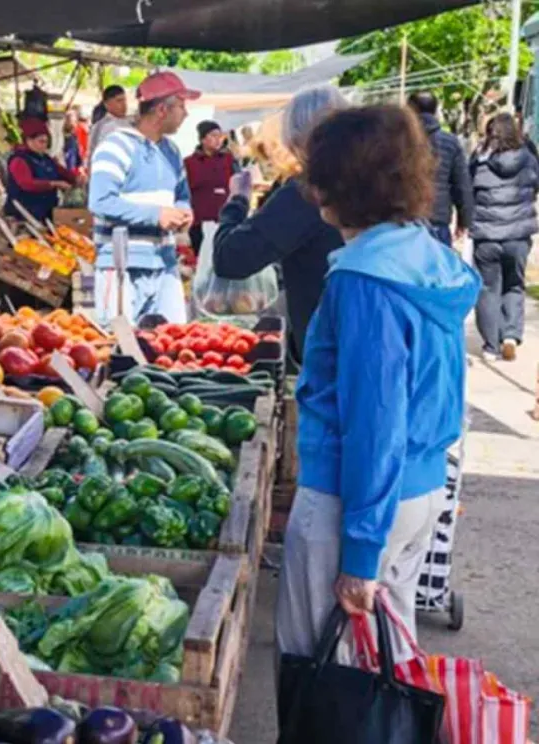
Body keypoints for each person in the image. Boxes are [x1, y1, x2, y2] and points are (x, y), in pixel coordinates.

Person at [275, 105, 479, 661]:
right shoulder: (427, 258)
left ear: (334, 184)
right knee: (387, 665)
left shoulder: (365, 282)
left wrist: (360, 555)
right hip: (416, 491)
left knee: (324, 674)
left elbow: (374, 422)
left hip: (356, 498)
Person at [212, 86, 347, 362]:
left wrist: (237, 201)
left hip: (330, 347)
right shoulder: (376, 181)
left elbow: (232, 258)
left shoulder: (310, 191)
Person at [89, 72, 199, 326]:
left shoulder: (172, 151)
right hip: (120, 267)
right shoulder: (116, 146)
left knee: (171, 343)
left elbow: (181, 196)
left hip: (165, 263)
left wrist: (184, 211)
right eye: (181, 106)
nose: (186, 114)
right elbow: (101, 201)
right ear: (162, 110)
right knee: (121, 345)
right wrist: (156, 215)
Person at [469, 112, 539, 362]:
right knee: (514, 284)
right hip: (518, 235)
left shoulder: (479, 159)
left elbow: (467, 190)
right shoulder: (529, 158)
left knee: (488, 288)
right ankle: (510, 335)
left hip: (487, 235)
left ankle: (491, 345)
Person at [407, 91, 474, 247]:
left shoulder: (398, 140)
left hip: (404, 220)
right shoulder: (450, 142)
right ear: (435, 110)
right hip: (438, 217)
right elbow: (462, 184)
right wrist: (464, 220)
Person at [5, 118, 81, 224]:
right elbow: (27, 184)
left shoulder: (45, 158)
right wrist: (53, 184)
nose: (44, 145)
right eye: (41, 142)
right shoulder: (19, 160)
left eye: (46, 142)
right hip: (24, 214)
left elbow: (62, 172)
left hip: (46, 211)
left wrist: (77, 179)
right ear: (29, 140)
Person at [184, 120, 240, 253]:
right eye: (213, 135)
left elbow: (238, 183)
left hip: (225, 220)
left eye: (219, 136)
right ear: (203, 139)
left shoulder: (229, 160)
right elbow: (183, 191)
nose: (218, 140)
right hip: (199, 221)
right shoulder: (189, 163)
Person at [89, 85, 130, 161]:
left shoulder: (127, 123)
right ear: (107, 104)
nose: (124, 105)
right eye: (119, 101)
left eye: (125, 100)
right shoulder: (104, 126)